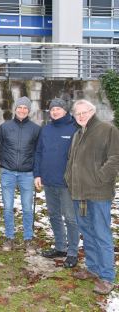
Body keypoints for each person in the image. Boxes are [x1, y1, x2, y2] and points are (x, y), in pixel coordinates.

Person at [65, 99, 119, 295]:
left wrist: (100, 177)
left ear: (92, 111)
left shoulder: (107, 129)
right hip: (80, 193)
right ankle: (93, 268)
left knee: (102, 234)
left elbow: (116, 158)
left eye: (84, 112)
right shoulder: (78, 134)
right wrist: (68, 178)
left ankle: (107, 277)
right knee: (87, 232)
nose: (81, 116)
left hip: (98, 193)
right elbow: (72, 160)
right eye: (77, 114)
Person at [33, 98, 79, 268]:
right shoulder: (46, 130)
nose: (54, 111)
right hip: (49, 181)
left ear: (65, 111)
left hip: (67, 183)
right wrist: (37, 174)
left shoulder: (75, 128)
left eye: (58, 109)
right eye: (52, 109)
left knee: (70, 218)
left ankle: (73, 252)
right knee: (53, 215)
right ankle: (60, 247)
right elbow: (38, 152)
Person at [0, 96, 40, 253]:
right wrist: (5, 162)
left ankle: (28, 239)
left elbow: (38, 151)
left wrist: (36, 171)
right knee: (8, 207)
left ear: (29, 111)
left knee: (27, 208)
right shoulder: (5, 127)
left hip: (27, 174)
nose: (22, 110)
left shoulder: (35, 129)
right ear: (15, 109)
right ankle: (10, 237)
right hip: (8, 172)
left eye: (25, 108)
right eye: (19, 107)